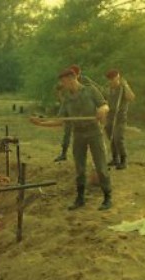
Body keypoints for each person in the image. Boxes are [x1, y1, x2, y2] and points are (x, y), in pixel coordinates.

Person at [31, 68, 112, 211]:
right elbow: (61, 120)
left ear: (72, 78)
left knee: (100, 166)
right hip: (79, 134)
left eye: (63, 81)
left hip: (94, 132)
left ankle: (107, 197)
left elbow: (105, 105)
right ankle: (80, 199)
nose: (62, 85)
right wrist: (40, 123)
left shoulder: (90, 90)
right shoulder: (67, 98)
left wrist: (102, 110)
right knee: (79, 168)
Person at [54, 64, 102, 162]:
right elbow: (59, 91)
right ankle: (64, 153)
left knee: (98, 155)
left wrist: (102, 109)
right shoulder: (66, 88)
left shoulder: (86, 82)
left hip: (89, 121)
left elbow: (99, 95)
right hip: (72, 115)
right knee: (67, 133)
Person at [103, 69, 136, 169]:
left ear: (118, 78)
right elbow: (103, 99)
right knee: (111, 137)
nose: (112, 81)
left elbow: (131, 98)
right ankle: (115, 158)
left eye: (114, 79)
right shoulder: (108, 89)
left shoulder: (123, 88)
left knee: (118, 138)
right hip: (110, 117)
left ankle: (124, 160)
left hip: (120, 117)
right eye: (110, 79)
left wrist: (126, 86)